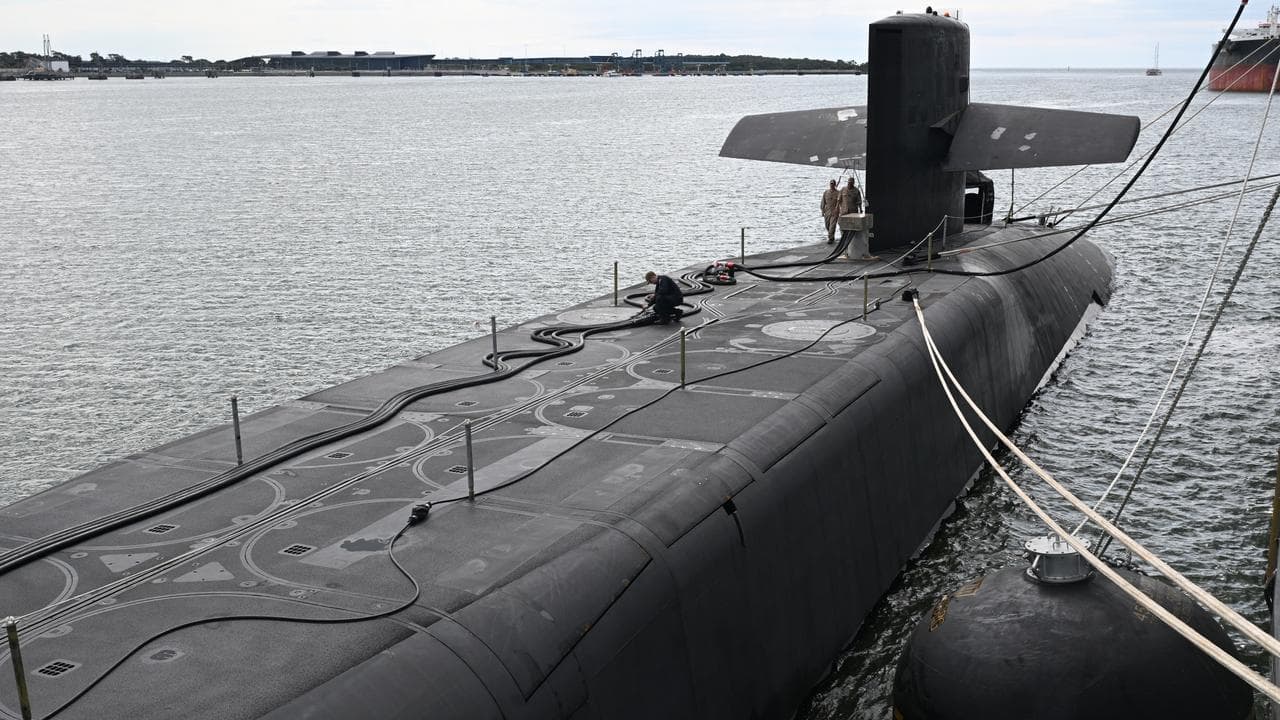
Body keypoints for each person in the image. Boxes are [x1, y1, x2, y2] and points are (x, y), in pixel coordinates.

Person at [821, 179, 841, 243]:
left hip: (834, 212)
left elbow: (840, 203)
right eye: (831, 184)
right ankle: (832, 235)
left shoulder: (838, 193)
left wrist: (839, 211)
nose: (832, 185)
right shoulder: (826, 192)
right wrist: (822, 210)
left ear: (835, 185)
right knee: (827, 225)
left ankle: (830, 238)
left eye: (833, 184)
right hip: (827, 211)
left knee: (832, 225)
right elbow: (823, 202)